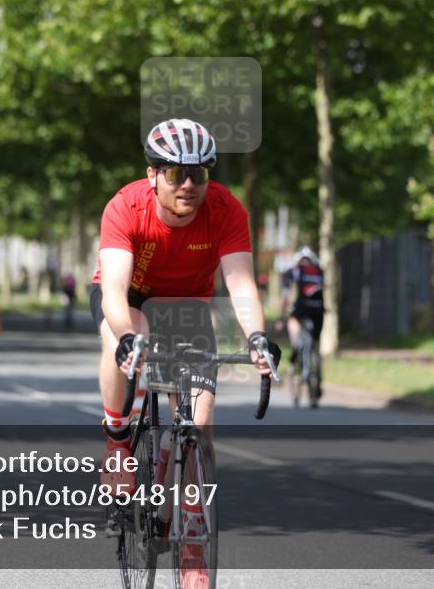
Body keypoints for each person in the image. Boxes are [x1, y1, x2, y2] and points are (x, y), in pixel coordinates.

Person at [90, 118, 280, 584]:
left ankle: (192, 540)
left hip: (189, 307)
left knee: (201, 422)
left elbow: (239, 284)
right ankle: (118, 441)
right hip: (131, 300)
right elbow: (113, 289)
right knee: (126, 334)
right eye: (176, 174)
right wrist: (129, 334)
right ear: (153, 174)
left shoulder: (226, 209)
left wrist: (257, 337)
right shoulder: (126, 206)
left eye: (200, 173)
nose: (189, 185)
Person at [279, 246, 325, 381]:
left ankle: (295, 351)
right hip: (318, 309)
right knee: (316, 343)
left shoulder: (293, 271)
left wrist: (282, 317)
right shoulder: (319, 271)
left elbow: (285, 296)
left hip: (301, 308)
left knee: (293, 324)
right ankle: (318, 376)